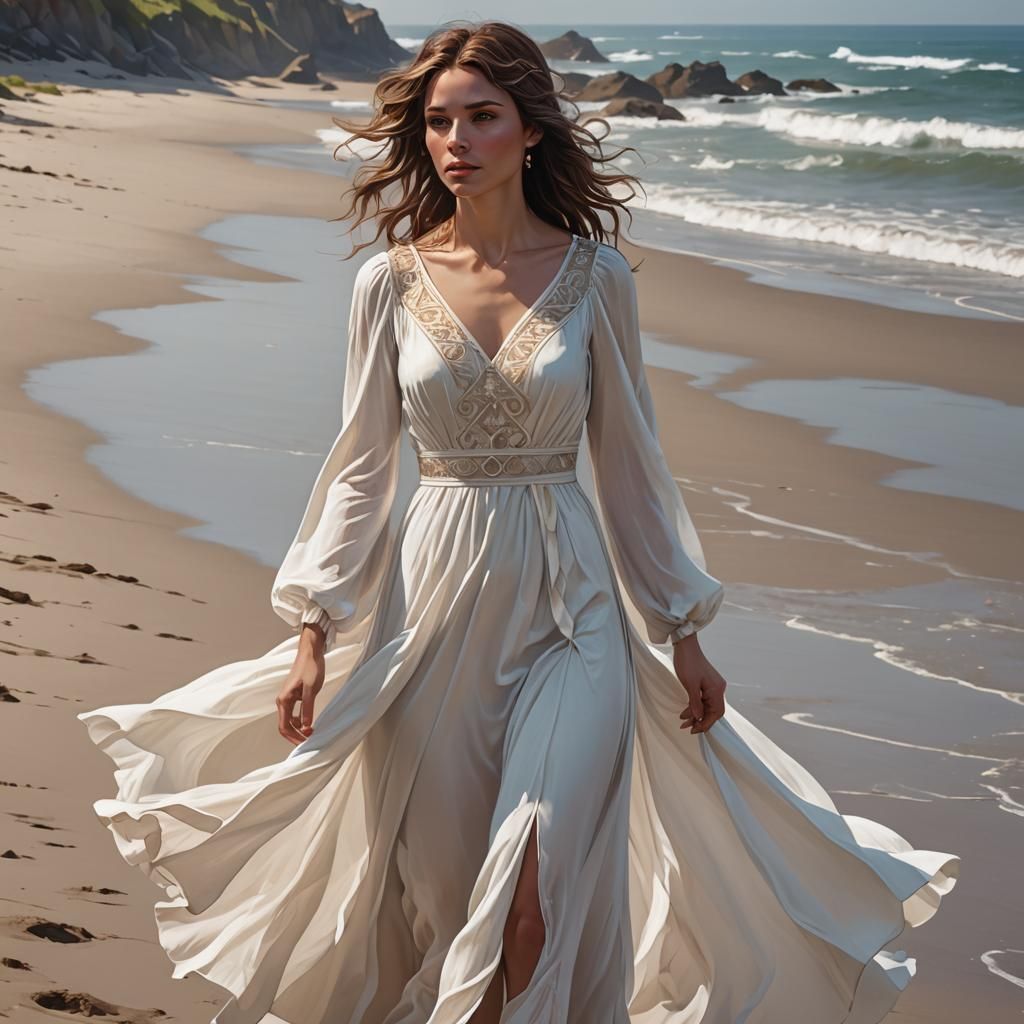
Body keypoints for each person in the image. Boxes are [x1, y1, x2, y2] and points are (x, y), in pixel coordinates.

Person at [77, 20, 959, 1024]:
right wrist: (313, 630)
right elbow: (361, 468)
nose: (456, 141)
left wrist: (683, 629)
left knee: (527, 897)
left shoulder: (597, 279)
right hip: (433, 616)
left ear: (530, 131)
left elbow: (630, 465)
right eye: (439, 122)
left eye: (481, 118)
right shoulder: (389, 284)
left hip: (574, 612)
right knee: (454, 909)